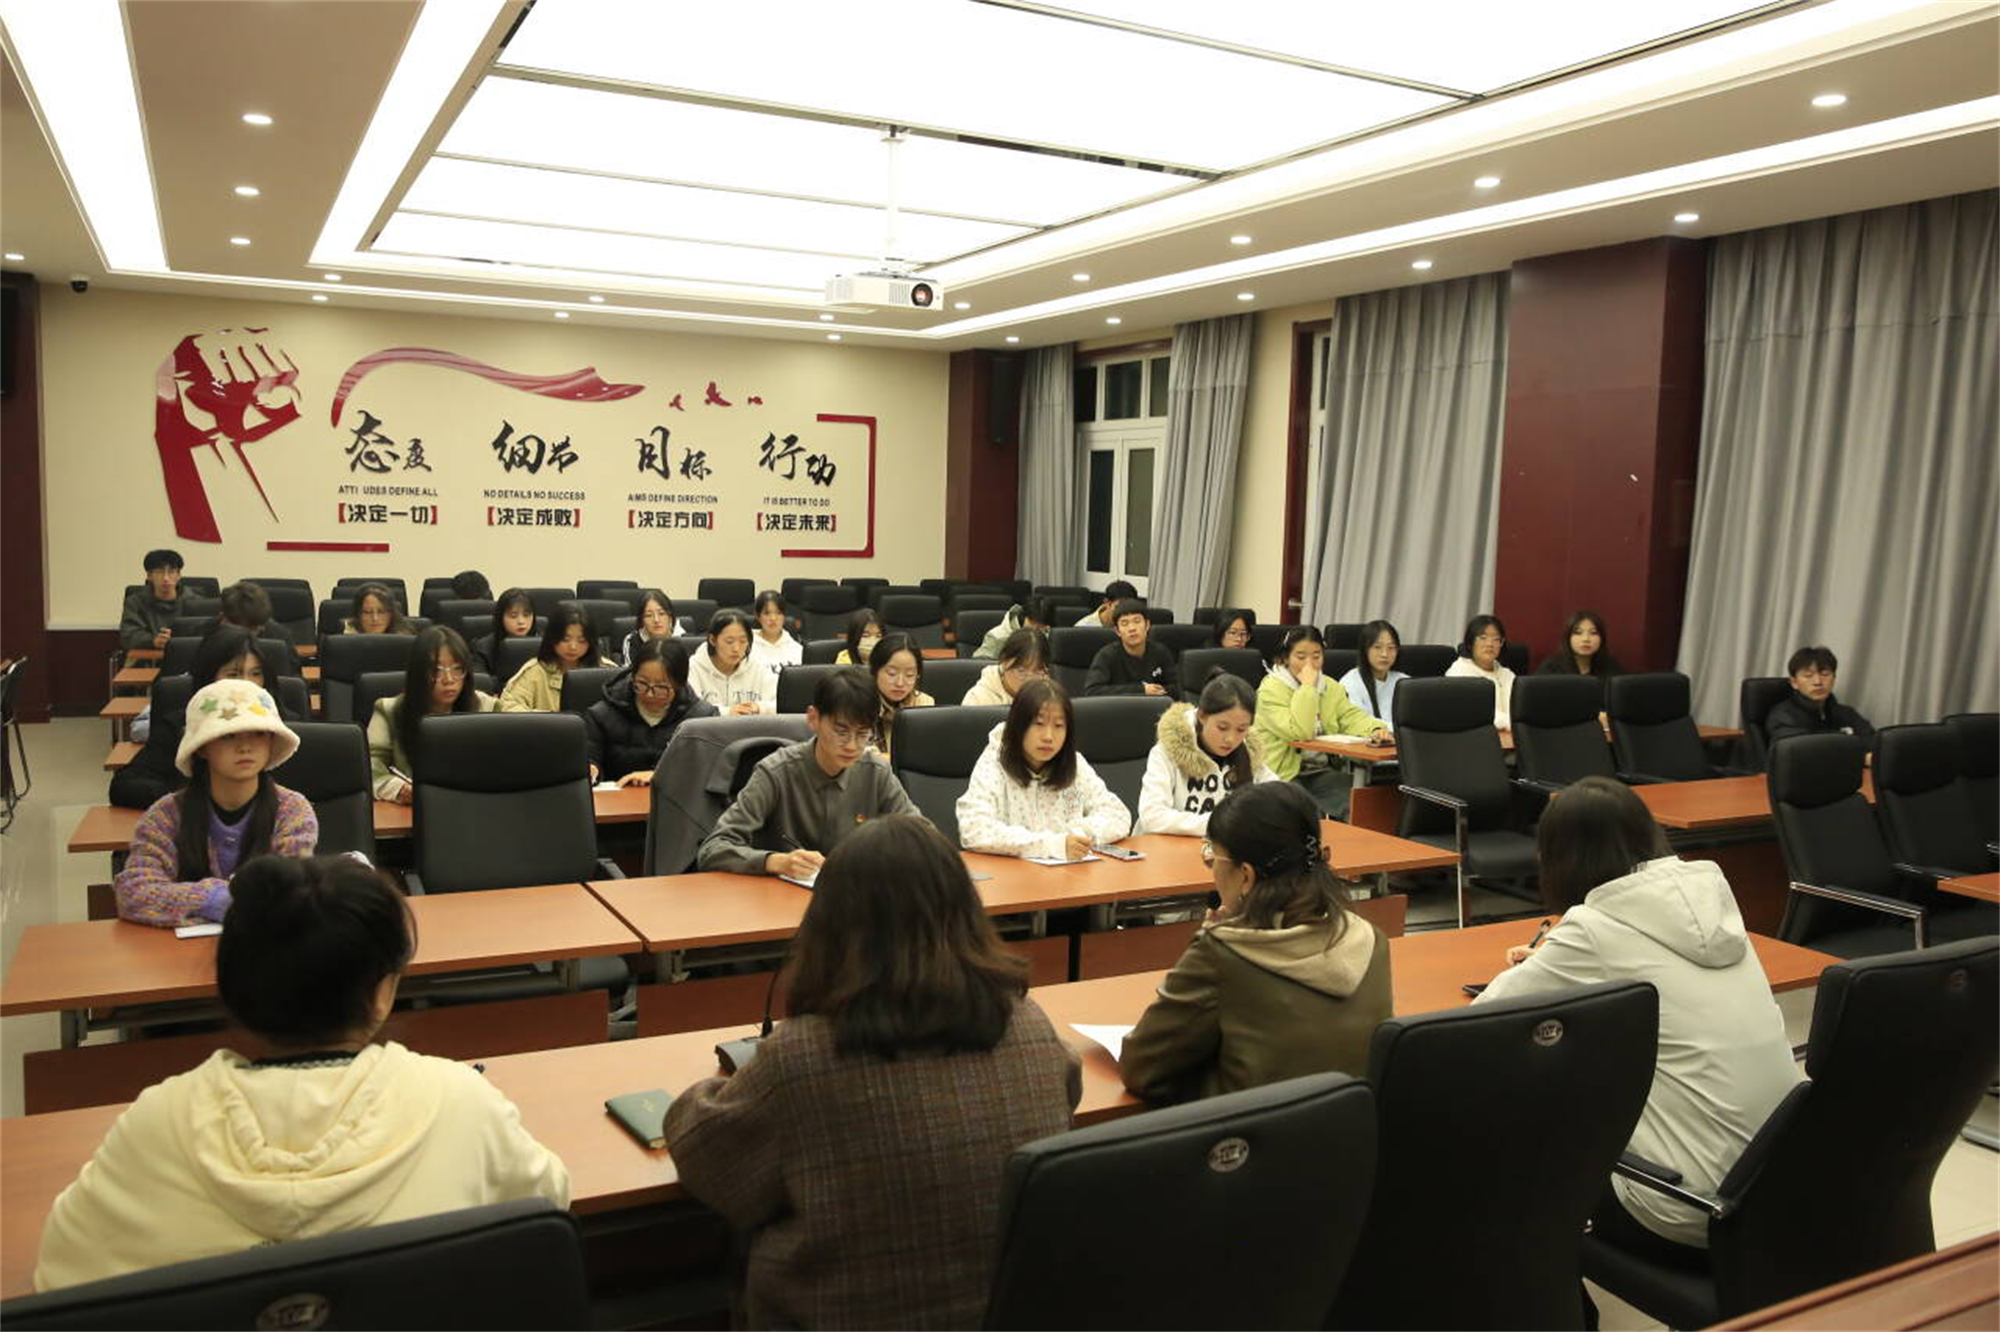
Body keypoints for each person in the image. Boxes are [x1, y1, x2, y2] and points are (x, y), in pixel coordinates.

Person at [34, 854, 570, 1292]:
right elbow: (549, 1201)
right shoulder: (462, 1102)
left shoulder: (155, 1125)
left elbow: (59, 1275)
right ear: (383, 992)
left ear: (229, 989)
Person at [665, 816, 1080, 1332]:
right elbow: (1068, 1089)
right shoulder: (1030, 1025)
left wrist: (734, 1079)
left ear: (830, 924)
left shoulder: (803, 1057)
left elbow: (705, 1159)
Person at [1473, 776, 1799, 1259]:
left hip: (1687, 1210)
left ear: (1560, 858)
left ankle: (1547, 1293)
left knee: (1529, 1126)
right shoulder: (1712, 907)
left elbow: (1482, 1022)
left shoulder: (1593, 928)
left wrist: (1556, 961)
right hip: (1783, 1189)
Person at [1122, 782, 1392, 1102]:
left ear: (1246, 876)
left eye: (1212, 857)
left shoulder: (1222, 954)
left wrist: (1212, 942)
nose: (1211, 869)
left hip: (1251, 1131)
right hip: (1352, 1129)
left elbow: (1142, 1068)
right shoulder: (1371, 940)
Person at [112, 678, 319, 927]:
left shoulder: (292, 810)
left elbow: (292, 893)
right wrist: (212, 899)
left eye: (258, 733)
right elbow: (132, 892)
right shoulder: (166, 815)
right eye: (228, 735)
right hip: (180, 949)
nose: (245, 746)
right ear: (201, 747)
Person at [698, 668, 922, 876]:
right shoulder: (776, 772)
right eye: (841, 732)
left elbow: (922, 838)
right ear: (813, 718)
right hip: (780, 898)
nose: (852, 746)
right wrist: (775, 861)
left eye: (863, 734)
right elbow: (713, 849)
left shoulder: (876, 772)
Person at [110, 627, 304, 811]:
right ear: (209, 678)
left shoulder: (288, 727)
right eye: (233, 674)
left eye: (256, 674)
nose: (246, 683)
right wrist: (198, 799)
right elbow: (125, 785)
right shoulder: (181, 725)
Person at [957, 678, 1132, 859]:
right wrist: (1050, 845)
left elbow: (1118, 815)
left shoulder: (1075, 764)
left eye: (1058, 726)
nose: (1048, 736)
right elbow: (973, 828)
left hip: (1070, 873)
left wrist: (1077, 835)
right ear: (1018, 725)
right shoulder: (995, 763)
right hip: (1012, 873)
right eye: (1039, 723)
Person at [1255, 626, 1389, 818]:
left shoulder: (1330, 687)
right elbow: (1299, 732)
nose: (1309, 664)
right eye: (1301, 657)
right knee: (1304, 812)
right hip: (1280, 773)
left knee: (1361, 802)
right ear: (1285, 658)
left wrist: (1375, 729)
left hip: (1319, 771)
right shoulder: (1270, 690)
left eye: (1316, 656)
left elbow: (1351, 716)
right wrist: (1308, 687)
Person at [368, 626, 498, 804]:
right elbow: (368, 767)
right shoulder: (389, 710)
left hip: (475, 806)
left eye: (457, 669)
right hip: (415, 811)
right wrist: (398, 789)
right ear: (418, 673)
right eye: (437, 671)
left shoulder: (487, 707)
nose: (449, 680)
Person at [1137, 672, 1277, 836]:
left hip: (1219, 847)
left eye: (1241, 729)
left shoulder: (1249, 753)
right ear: (1202, 716)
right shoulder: (1166, 752)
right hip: (1164, 847)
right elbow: (1152, 816)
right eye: (1222, 727)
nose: (1231, 739)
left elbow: (1277, 795)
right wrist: (1223, 824)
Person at [585, 638, 717, 787]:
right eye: (642, 684)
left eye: (661, 688)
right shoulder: (602, 715)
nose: (649, 694)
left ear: (679, 684)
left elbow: (711, 770)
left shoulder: (702, 718)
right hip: (617, 797)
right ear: (632, 677)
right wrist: (592, 769)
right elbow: (591, 759)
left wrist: (660, 776)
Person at [499, 603, 611, 713]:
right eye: (565, 639)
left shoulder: (606, 670)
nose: (573, 647)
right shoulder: (535, 671)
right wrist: (549, 718)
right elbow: (508, 706)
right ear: (552, 638)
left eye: (581, 641)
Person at [1765, 645, 1875, 746]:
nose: (1818, 682)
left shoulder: (1846, 713)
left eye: (1825, 674)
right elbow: (1804, 751)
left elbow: (1873, 742)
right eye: (1808, 675)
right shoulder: (1783, 717)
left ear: (1834, 678)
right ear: (1794, 683)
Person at [687, 608, 777, 715]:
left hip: (750, 725)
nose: (736, 648)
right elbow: (690, 710)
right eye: (729, 642)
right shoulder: (693, 668)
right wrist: (726, 712)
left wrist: (760, 708)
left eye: (743, 641)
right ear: (712, 640)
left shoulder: (758, 666)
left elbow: (780, 703)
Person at [1084, 597, 1178, 697]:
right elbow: (1092, 691)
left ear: (1147, 625)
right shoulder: (1106, 655)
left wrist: (1157, 691)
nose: (1132, 628)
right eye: (1124, 623)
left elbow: (1176, 689)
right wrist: (1141, 690)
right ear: (1117, 631)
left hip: (1154, 705)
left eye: (1137, 621)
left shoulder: (1161, 652)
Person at [869, 632, 934, 762]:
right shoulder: (859, 702)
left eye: (909, 675)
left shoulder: (924, 704)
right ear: (875, 671)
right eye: (891, 673)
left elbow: (925, 755)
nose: (900, 683)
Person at [1446, 613, 1516, 731]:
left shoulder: (1507, 674)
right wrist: (1513, 724)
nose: (1490, 644)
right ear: (1470, 643)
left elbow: (1520, 709)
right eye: (1483, 638)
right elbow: (1477, 713)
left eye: (1496, 639)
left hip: (1510, 734)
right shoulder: (1458, 672)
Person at [1339, 619, 1407, 730]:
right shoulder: (1350, 682)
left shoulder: (1403, 681)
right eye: (1377, 647)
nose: (1384, 654)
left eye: (1391, 647)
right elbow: (1357, 722)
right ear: (1365, 649)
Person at [962, 627, 1050, 707]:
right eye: (1021, 671)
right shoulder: (977, 699)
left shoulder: (1049, 698)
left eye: (1038, 672)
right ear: (1004, 661)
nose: (1029, 680)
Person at [120, 548, 184, 652]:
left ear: (179, 575)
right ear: (149, 575)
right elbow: (129, 636)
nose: (166, 578)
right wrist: (153, 641)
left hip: (187, 656)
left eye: (171, 571)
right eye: (160, 572)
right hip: (147, 657)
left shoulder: (195, 602)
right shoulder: (135, 603)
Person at [1537, 609, 1626, 680]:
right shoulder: (1551, 668)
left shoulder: (1611, 666)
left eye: (1593, 633)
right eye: (1578, 633)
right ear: (1568, 638)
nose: (1586, 639)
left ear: (1601, 639)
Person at [472, 587, 538, 677]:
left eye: (526, 615)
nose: (521, 621)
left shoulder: (544, 644)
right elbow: (480, 681)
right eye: (513, 616)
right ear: (501, 618)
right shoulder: (484, 647)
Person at [974, 595, 1057, 660]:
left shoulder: (1050, 636)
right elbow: (979, 666)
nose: (1035, 629)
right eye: (1033, 623)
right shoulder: (998, 637)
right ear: (1024, 616)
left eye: (1040, 627)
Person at [618, 588, 688, 664]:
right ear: (642, 621)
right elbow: (630, 671)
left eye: (661, 614)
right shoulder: (632, 642)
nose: (656, 620)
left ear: (670, 618)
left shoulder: (685, 641)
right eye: (649, 615)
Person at [747, 588, 802, 676]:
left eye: (778, 613)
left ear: (784, 616)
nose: (773, 618)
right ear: (758, 617)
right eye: (767, 613)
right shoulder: (746, 646)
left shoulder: (797, 649)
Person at [217, 580, 291, 644]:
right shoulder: (210, 634)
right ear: (223, 619)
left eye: (255, 629)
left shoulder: (280, 637)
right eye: (245, 629)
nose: (248, 635)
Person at [343, 582, 415, 636]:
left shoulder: (406, 640)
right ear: (357, 614)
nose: (375, 618)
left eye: (382, 612)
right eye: (367, 612)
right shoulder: (346, 639)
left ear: (391, 614)